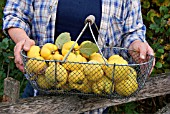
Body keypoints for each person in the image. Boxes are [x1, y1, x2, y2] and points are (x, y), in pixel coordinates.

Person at [3, 0, 155, 113]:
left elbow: (132, 31)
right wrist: (22, 38)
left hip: (96, 100)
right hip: (42, 88)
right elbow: (15, 14)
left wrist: (136, 45)